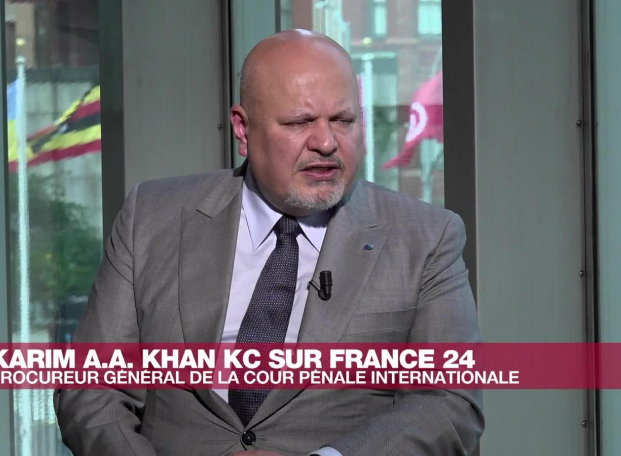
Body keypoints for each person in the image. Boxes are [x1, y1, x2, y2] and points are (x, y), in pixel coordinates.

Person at [55, 29, 484, 456]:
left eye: (343, 120)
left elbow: (449, 403)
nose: (326, 142)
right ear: (243, 129)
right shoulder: (152, 217)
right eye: (299, 122)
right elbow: (91, 389)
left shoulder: (426, 238)